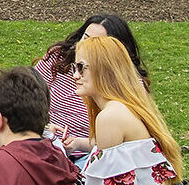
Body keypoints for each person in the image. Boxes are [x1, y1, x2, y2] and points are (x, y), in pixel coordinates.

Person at [70, 35, 181, 185]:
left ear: (104, 70)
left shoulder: (110, 116)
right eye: (75, 67)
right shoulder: (123, 107)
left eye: (82, 68)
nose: (75, 75)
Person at [33, 14, 149, 155]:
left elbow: (106, 162)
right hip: (48, 146)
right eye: (85, 38)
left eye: (95, 44)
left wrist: (78, 143)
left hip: (87, 155)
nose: (76, 76)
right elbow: (26, 97)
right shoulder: (58, 58)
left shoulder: (111, 113)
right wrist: (44, 131)